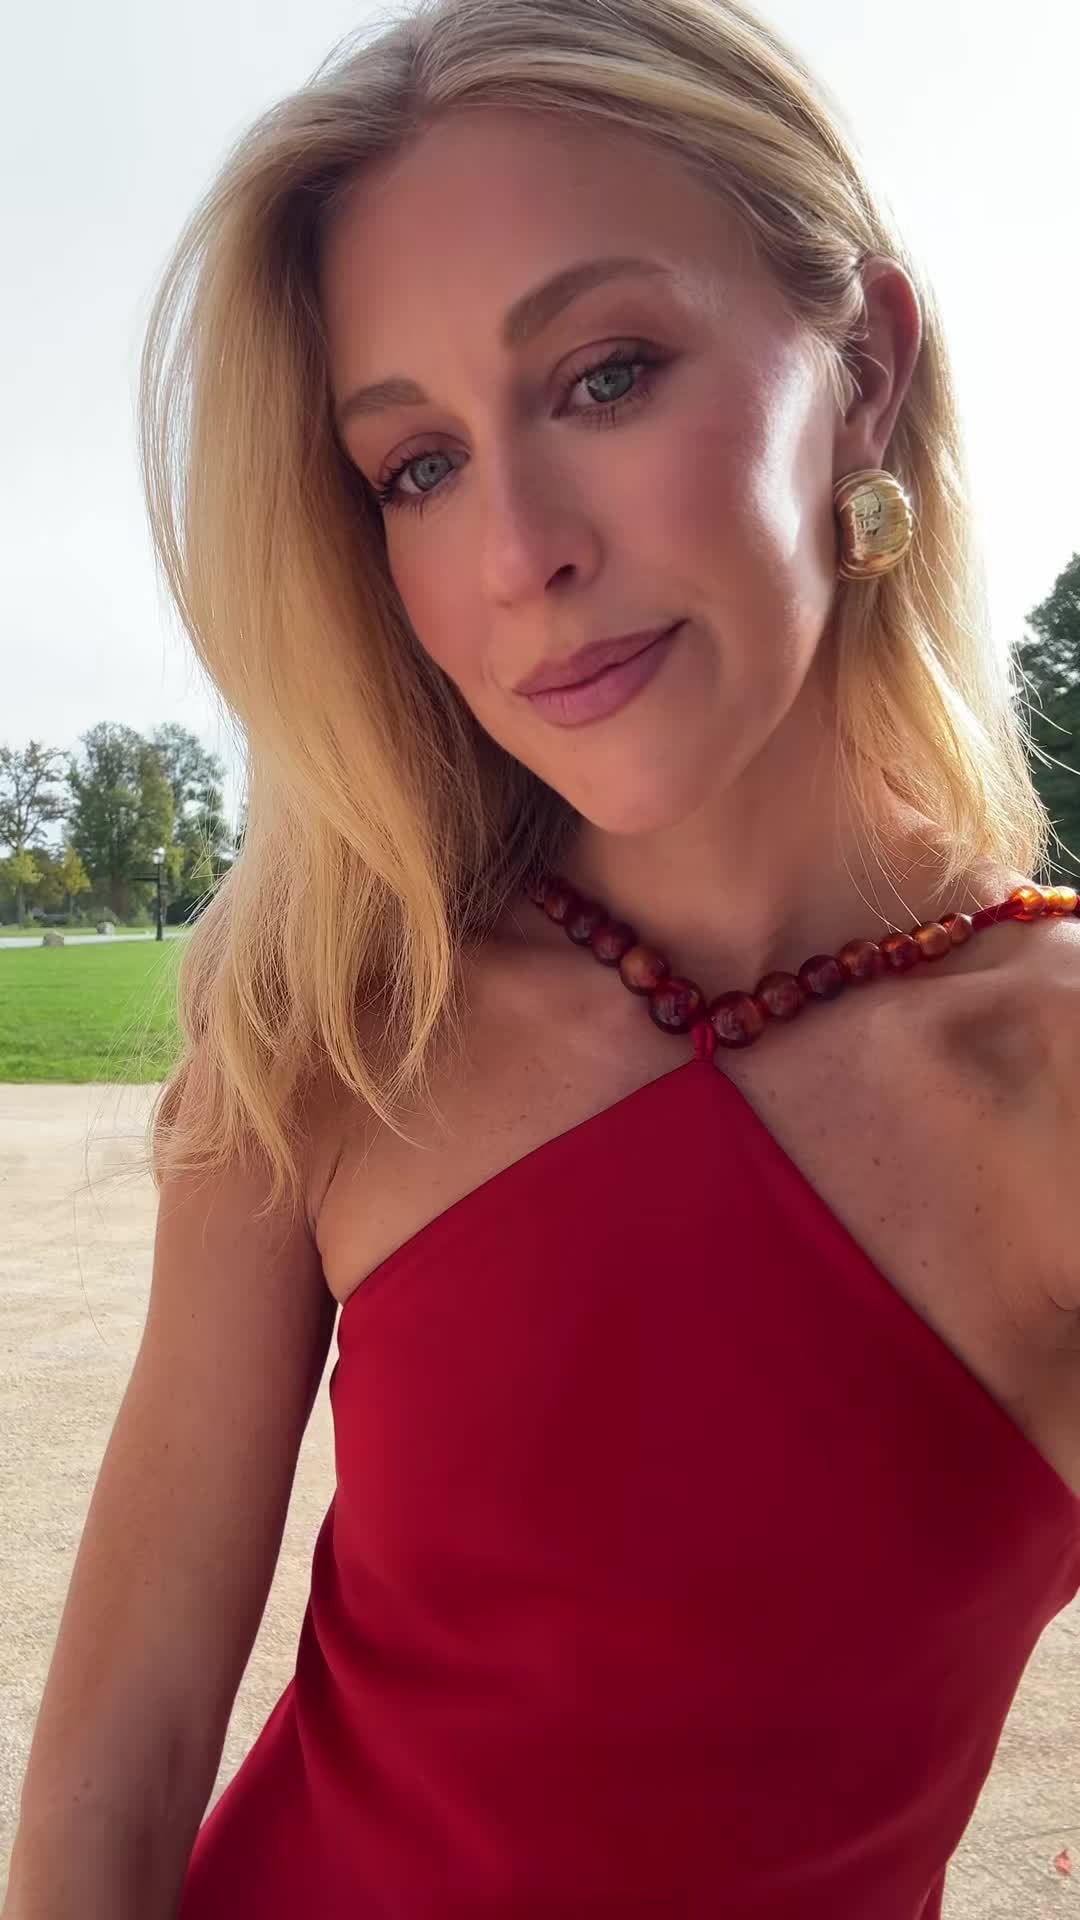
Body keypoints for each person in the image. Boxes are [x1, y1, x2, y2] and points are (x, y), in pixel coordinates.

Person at [6, 0, 1079, 1913]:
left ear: (865, 370)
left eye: (606, 376)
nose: (517, 553)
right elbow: (120, 1765)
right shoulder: (338, 1006)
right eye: (415, 465)